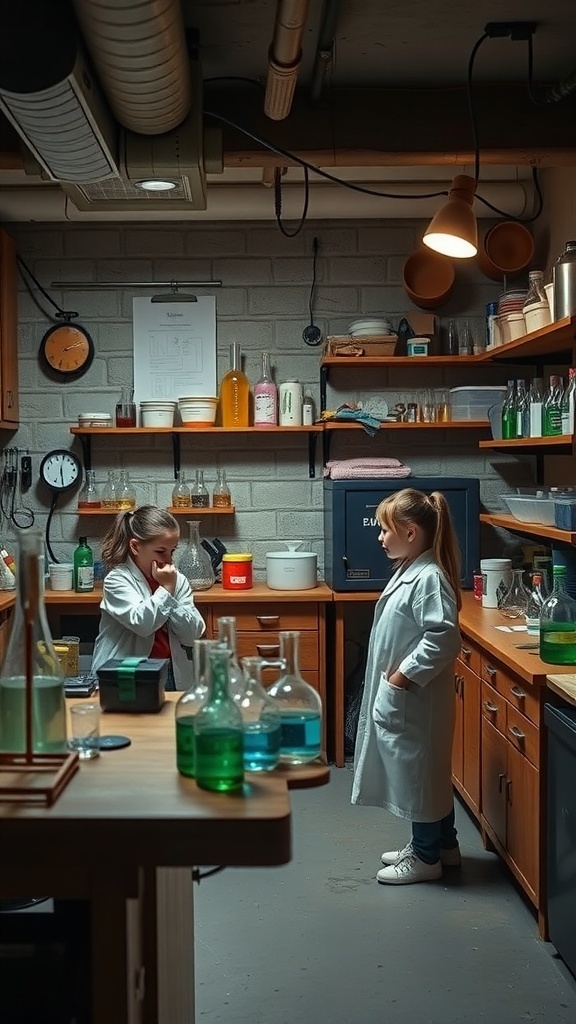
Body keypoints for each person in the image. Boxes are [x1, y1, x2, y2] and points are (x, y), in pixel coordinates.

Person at [351, 487, 462, 885]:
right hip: (411, 698)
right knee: (426, 774)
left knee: (418, 776)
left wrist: (401, 677)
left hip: (413, 695)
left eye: (385, 529)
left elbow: (444, 638)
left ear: (411, 532)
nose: (380, 537)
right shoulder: (412, 568)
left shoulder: (428, 578)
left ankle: (426, 857)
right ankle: (444, 846)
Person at [91, 505, 205, 690]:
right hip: (126, 674)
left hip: (170, 673)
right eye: (161, 552)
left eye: (172, 551)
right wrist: (166, 590)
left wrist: (169, 593)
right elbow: (143, 624)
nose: (169, 560)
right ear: (135, 546)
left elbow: (192, 634)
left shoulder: (178, 580)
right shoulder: (117, 579)